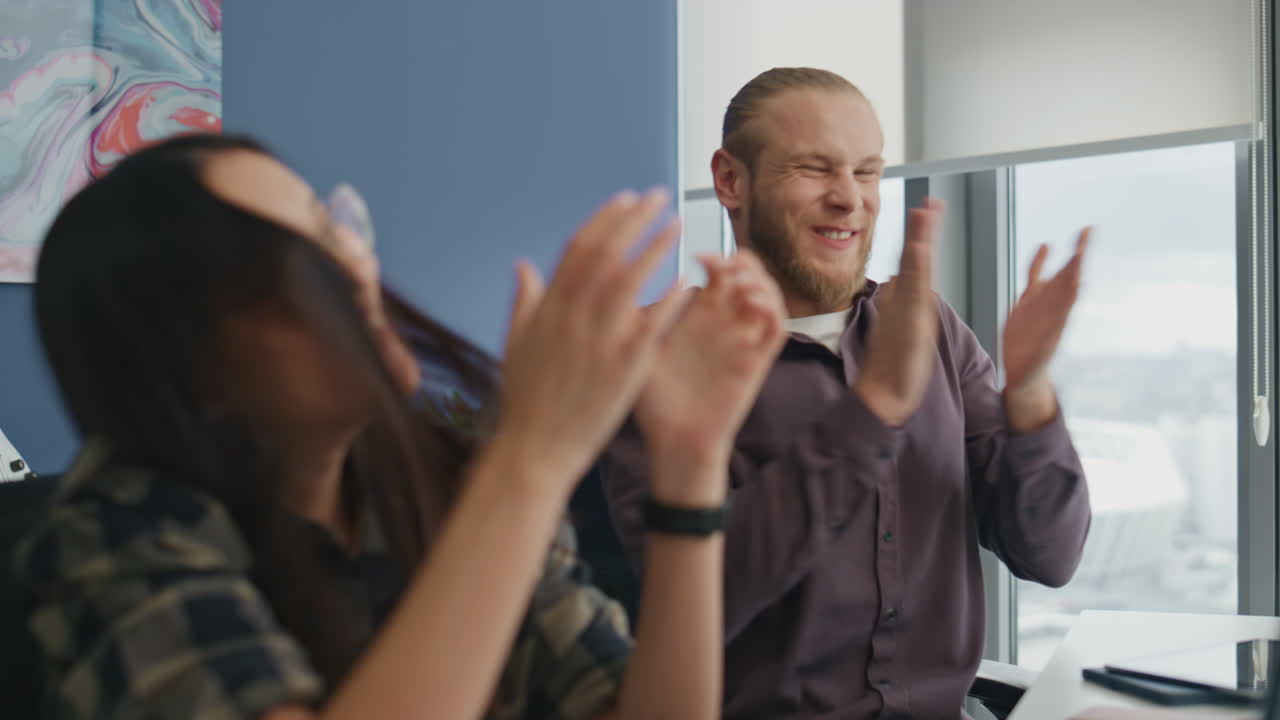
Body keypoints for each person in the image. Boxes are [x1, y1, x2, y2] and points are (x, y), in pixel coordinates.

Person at [15, 133, 788, 720]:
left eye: (338, 230)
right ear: (180, 359)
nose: (356, 269)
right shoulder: (114, 529)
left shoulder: (442, 479)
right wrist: (531, 457)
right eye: (298, 263)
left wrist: (691, 460)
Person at [601, 67, 1092, 718]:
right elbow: (684, 608)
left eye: (866, 172)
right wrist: (869, 415)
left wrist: (1028, 396)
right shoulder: (655, 357)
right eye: (814, 169)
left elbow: (1049, 556)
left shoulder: (929, 327)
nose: (849, 198)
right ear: (730, 180)